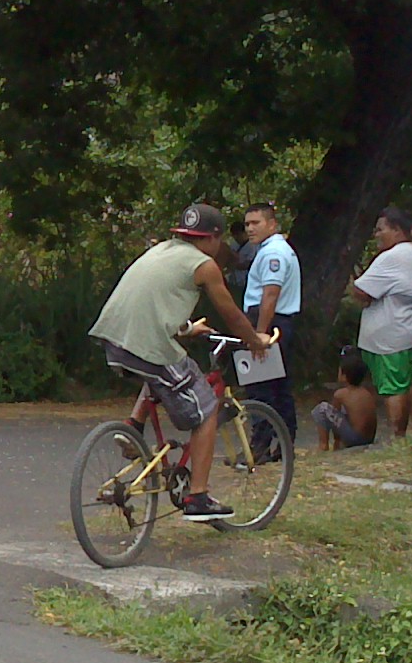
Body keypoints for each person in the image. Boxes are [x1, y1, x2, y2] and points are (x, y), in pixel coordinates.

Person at [87, 203, 273, 522]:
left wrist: (187, 328)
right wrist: (256, 340)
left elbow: (152, 303)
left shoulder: (162, 251)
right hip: (145, 345)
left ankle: (133, 427)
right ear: (214, 238)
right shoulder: (204, 265)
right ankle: (198, 496)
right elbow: (230, 312)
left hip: (114, 339)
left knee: (163, 370)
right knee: (207, 409)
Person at [345, 207, 412, 441]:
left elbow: (361, 290)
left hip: (390, 336)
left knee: (393, 387)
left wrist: (363, 294)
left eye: (381, 229)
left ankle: (398, 436)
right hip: (410, 329)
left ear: (397, 230)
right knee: (406, 382)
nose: (377, 235)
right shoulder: (411, 253)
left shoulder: (391, 257)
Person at [238, 203, 301, 440]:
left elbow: (270, 294)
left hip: (268, 322)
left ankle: (262, 443)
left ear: (272, 224)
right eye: (247, 224)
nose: (250, 229)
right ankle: (284, 442)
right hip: (277, 321)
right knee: (277, 386)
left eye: (256, 223)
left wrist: (259, 334)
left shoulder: (273, 253)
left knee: (260, 386)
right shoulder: (273, 249)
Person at [308, 350, 381, 451]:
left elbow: (333, 418)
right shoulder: (367, 393)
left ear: (344, 376)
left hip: (355, 438)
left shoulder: (341, 394)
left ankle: (323, 445)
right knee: (343, 411)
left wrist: (337, 440)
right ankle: (340, 444)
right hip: (368, 438)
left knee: (322, 408)